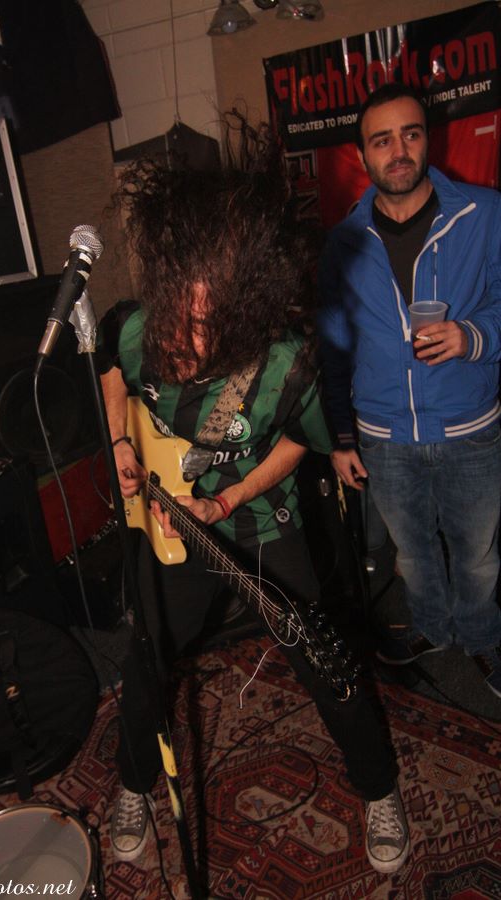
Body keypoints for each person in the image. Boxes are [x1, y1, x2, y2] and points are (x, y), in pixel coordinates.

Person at [99, 136, 410, 876]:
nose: (186, 333)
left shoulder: (284, 363)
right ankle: (134, 786)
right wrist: (119, 440)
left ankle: (379, 788)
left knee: (326, 663)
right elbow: (111, 361)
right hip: (175, 526)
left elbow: (301, 443)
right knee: (146, 660)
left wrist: (232, 496)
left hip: (263, 522)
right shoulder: (142, 329)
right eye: (179, 310)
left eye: (207, 322)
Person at [318, 83, 501, 698]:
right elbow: (334, 348)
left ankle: (480, 634)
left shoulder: (484, 215)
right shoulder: (343, 242)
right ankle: (431, 626)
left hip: (468, 427)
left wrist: (472, 336)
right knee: (413, 553)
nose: (398, 151)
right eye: (382, 140)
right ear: (363, 155)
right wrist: (341, 435)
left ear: (428, 140)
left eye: (411, 134)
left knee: (477, 554)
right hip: (384, 437)